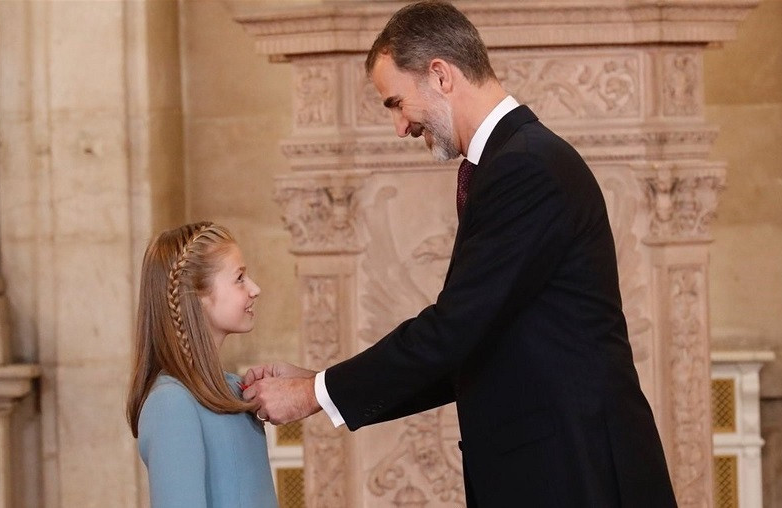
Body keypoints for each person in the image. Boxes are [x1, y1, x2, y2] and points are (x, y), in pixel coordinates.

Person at [242, 1, 678, 506]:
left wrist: (312, 396)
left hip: (579, 472)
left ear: (441, 75)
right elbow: (472, 346)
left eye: (396, 103)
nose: (400, 127)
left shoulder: (526, 168)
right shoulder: (510, 162)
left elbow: (453, 331)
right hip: (554, 470)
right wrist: (320, 385)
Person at [125, 222, 277, 508]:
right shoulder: (171, 403)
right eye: (240, 278)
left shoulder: (235, 389)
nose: (255, 289)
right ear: (197, 295)